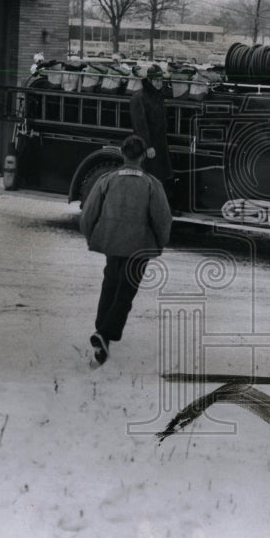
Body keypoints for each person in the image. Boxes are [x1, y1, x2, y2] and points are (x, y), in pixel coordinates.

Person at [79, 135, 172, 366]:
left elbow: (88, 214)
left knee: (110, 284)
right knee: (125, 292)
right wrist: (160, 243)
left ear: (122, 154)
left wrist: (92, 236)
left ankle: (102, 337)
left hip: (112, 243)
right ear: (142, 157)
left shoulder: (106, 179)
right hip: (139, 247)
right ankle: (104, 333)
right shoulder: (152, 184)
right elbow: (163, 219)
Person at [130, 64, 177, 212]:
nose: (158, 83)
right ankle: (147, 210)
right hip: (149, 147)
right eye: (155, 80)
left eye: (160, 80)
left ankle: (160, 209)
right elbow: (140, 125)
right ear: (149, 80)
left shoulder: (158, 96)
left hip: (160, 144)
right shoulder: (140, 97)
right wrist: (148, 146)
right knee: (150, 178)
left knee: (161, 178)